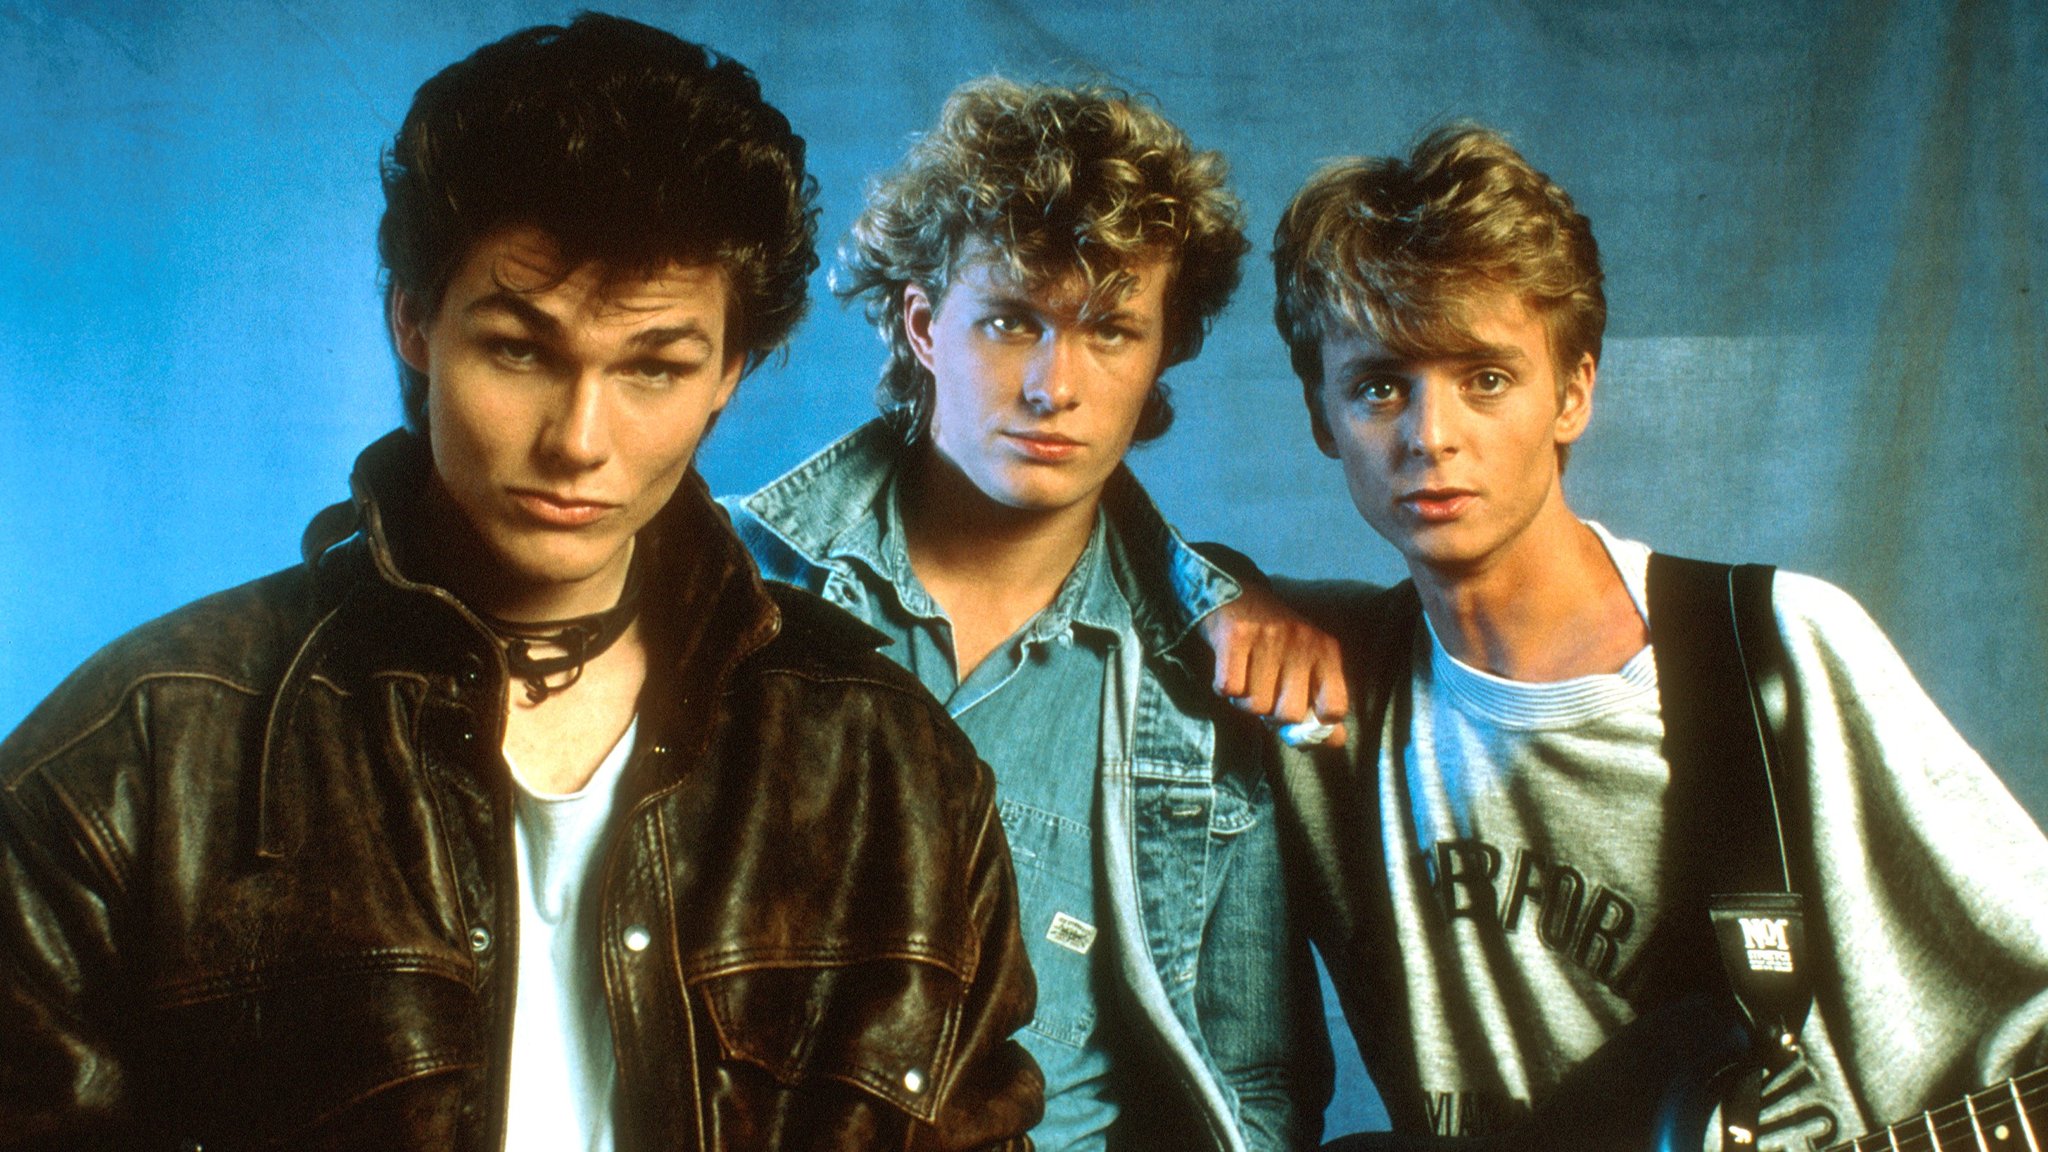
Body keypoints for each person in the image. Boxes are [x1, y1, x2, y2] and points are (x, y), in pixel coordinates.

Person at [0, 15, 1041, 1150]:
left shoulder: (888, 763)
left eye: (655, 367)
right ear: (413, 322)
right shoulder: (138, 756)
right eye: (519, 349)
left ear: (728, 375)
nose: (579, 442)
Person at [1267, 123, 2048, 1150]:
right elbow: (1096, 554)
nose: (1430, 436)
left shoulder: (1770, 650)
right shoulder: (1328, 687)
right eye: (1378, 385)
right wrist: (1214, 596)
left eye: (1486, 378)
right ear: (1320, 417)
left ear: (1573, 392)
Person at [726, 79, 1335, 1150]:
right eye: (1012, 321)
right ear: (922, 325)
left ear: (1162, 352)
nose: (1056, 386)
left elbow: (1250, 1082)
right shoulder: (732, 587)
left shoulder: (1208, 672)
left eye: (1112, 331)